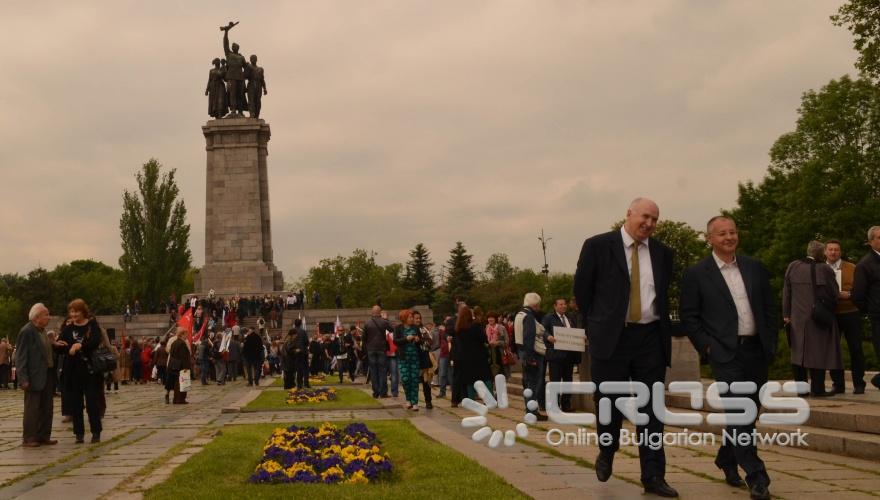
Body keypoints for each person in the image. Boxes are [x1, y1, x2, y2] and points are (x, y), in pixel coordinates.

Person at [572, 197, 677, 497]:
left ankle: (654, 476)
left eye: (655, 219)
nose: (650, 224)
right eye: (645, 217)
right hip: (611, 340)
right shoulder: (597, 246)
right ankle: (607, 449)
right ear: (629, 214)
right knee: (608, 403)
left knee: (652, 411)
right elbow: (583, 290)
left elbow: (662, 293)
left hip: (650, 340)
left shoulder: (663, 253)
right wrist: (596, 325)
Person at [681, 216, 776, 500]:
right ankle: (757, 476)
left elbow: (769, 306)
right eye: (722, 233)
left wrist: (771, 341)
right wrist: (707, 347)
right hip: (725, 353)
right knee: (740, 412)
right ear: (709, 238)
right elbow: (689, 316)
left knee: (750, 411)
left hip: (756, 350)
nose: (729, 237)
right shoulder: (697, 273)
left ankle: (726, 457)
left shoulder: (754, 267)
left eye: (733, 232)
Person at [783, 240, 841, 397]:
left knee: (798, 355)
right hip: (816, 317)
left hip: (796, 319)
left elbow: (786, 293)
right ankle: (818, 389)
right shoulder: (824, 269)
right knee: (817, 353)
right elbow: (834, 293)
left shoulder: (793, 266)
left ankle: (801, 390)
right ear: (822, 253)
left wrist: (786, 315)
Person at [58, 299, 104, 443]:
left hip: (90, 370)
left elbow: (95, 342)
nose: (74, 314)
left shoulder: (92, 326)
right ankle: (79, 433)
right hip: (73, 371)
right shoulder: (67, 329)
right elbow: (60, 346)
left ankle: (96, 431)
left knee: (92, 403)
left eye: (76, 311)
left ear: (83, 311)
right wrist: (67, 348)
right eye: (71, 311)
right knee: (76, 404)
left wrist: (80, 346)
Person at [16, 303, 61, 447]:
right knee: (32, 408)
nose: (48, 317)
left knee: (47, 407)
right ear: (36, 317)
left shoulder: (42, 331)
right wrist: (23, 378)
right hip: (33, 376)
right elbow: (21, 356)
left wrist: (54, 344)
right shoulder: (27, 331)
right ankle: (29, 437)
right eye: (46, 315)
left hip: (47, 373)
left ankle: (43, 435)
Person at [825, 240, 866, 394]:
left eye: (836, 249)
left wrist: (848, 294)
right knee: (833, 351)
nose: (833, 252)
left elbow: (861, 289)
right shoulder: (821, 269)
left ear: (840, 252)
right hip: (831, 314)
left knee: (856, 349)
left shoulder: (852, 268)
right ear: (825, 252)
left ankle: (859, 383)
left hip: (850, 312)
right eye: (830, 250)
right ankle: (838, 384)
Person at [851, 225, 880, 391]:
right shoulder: (865, 264)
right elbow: (857, 296)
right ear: (871, 242)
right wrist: (872, 311)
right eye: (879, 238)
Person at [514, 293, 547, 419]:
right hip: (531, 353)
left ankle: (529, 409)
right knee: (533, 383)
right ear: (535, 304)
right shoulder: (529, 316)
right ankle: (532, 411)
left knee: (528, 383)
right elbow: (529, 338)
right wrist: (530, 358)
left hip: (522, 351)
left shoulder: (519, 314)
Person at [542, 298, 577, 412]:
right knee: (555, 381)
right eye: (561, 304)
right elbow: (542, 331)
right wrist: (548, 337)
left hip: (569, 355)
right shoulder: (549, 318)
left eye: (565, 304)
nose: (563, 306)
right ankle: (554, 406)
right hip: (555, 355)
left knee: (568, 381)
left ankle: (566, 405)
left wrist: (582, 336)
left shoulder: (570, 318)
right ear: (555, 306)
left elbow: (575, 331)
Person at [452, 305, 493, 400]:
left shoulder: (459, 328)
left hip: (466, 357)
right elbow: (484, 339)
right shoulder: (475, 326)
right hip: (479, 355)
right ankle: (490, 399)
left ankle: (471, 399)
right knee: (486, 377)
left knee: (470, 379)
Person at [394, 309, 421, 410]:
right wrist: (406, 339)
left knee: (414, 380)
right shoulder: (398, 328)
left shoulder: (415, 328)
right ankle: (408, 399)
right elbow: (395, 341)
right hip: (403, 358)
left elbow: (421, 340)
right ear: (404, 318)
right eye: (410, 317)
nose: (412, 319)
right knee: (405, 379)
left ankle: (415, 403)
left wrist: (418, 340)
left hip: (414, 358)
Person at [363, 306, 391, 398]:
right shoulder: (384, 322)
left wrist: (367, 348)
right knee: (382, 370)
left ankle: (375, 392)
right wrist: (386, 319)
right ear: (380, 312)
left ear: (372, 312)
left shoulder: (367, 323)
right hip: (382, 349)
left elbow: (364, 338)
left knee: (373, 371)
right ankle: (383, 392)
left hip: (371, 349)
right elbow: (392, 330)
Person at [167, 328, 192, 404]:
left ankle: (176, 399)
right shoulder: (182, 343)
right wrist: (186, 367)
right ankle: (180, 399)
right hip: (181, 366)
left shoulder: (174, 342)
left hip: (174, 365)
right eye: (186, 334)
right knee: (182, 383)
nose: (187, 336)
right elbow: (183, 357)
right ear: (182, 334)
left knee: (176, 383)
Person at [485, 312, 510, 380]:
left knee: (501, 375)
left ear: (495, 319)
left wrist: (498, 343)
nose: (490, 319)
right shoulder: (486, 328)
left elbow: (507, 342)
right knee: (490, 377)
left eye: (492, 317)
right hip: (489, 356)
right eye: (488, 318)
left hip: (500, 354)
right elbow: (483, 342)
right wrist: (488, 344)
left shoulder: (502, 328)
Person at [246, 54, 267, 119]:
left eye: (254, 58)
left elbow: (262, 79)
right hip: (251, 84)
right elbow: (245, 76)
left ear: (256, 60)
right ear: (250, 60)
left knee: (258, 101)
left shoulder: (260, 69)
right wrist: (247, 68)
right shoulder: (249, 67)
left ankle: (256, 115)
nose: (253, 59)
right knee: (251, 101)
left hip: (258, 85)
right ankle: (252, 114)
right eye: (252, 58)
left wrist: (265, 88)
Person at [436, 325, 451, 398]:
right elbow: (439, 341)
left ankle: (455, 392)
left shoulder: (452, 330)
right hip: (443, 354)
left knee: (451, 374)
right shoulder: (441, 331)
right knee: (442, 374)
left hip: (452, 354)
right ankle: (442, 392)